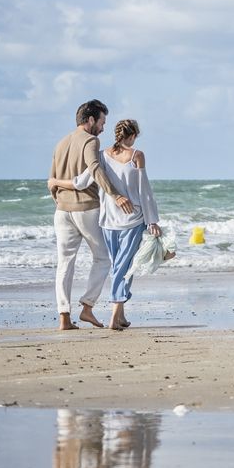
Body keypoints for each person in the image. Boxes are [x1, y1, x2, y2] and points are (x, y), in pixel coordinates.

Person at [50, 119, 161, 330]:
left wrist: (55, 182)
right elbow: (145, 191)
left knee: (122, 266)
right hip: (132, 220)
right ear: (133, 135)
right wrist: (152, 220)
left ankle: (120, 316)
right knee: (124, 268)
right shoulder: (137, 155)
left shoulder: (101, 156)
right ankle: (114, 316)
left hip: (108, 222)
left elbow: (80, 182)